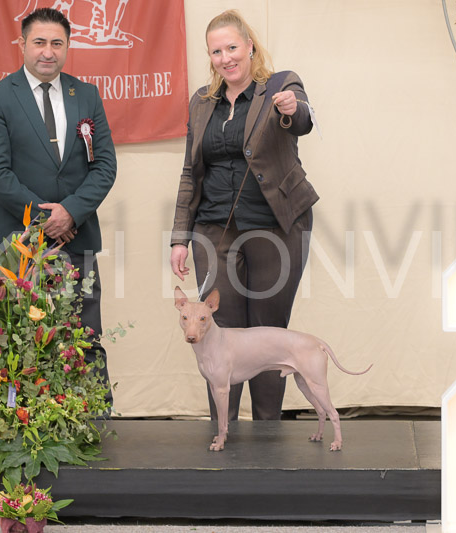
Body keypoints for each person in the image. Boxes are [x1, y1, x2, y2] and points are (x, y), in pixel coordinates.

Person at [170, 10, 318, 421]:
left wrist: (291, 108)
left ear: (250, 46)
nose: (225, 58)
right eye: (216, 51)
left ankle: (268, 432)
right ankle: (224, 431)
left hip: (277, 227)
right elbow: (190, 171)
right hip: (213, 229)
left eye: (232, 47)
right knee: (217, 329)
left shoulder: (280, 85)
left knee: (268, 333)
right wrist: (180, 237)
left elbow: (302, 119)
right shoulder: (202, 102)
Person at [0, 7, 117, 399]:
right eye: (39, 42)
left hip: (77, 238)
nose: (48, 52)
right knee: (14, 342)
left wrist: (70, 212)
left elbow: (105, 166)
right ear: (22, 44)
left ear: (68, 46)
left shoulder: (86, 95)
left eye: (57, 43)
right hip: (15, 241)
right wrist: (46, 218)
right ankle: (16, 424)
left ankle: (92, 419)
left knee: (83, 338)